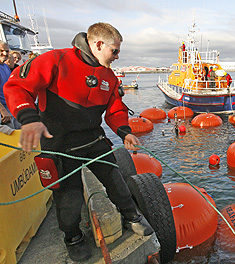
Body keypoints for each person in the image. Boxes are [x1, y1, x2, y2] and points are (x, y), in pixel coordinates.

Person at [4, 22, 153, 262]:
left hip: (93, 139)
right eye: (114, 51)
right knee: (68, 197)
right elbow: (17, 86)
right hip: (58, 144)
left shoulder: (109, 76)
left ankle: (131, 217)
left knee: (116, 182)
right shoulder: (55, 60)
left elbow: (115, 108)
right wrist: (29, 119)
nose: (117, 56)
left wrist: (124, 131)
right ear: (98, 44)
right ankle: (72, 237)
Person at [0, 41, 15, 127]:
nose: (5, 53)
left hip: (9, 106)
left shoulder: (5, 66)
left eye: (7, 51)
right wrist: (2, 110)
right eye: (1, 50)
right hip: (3, 111)